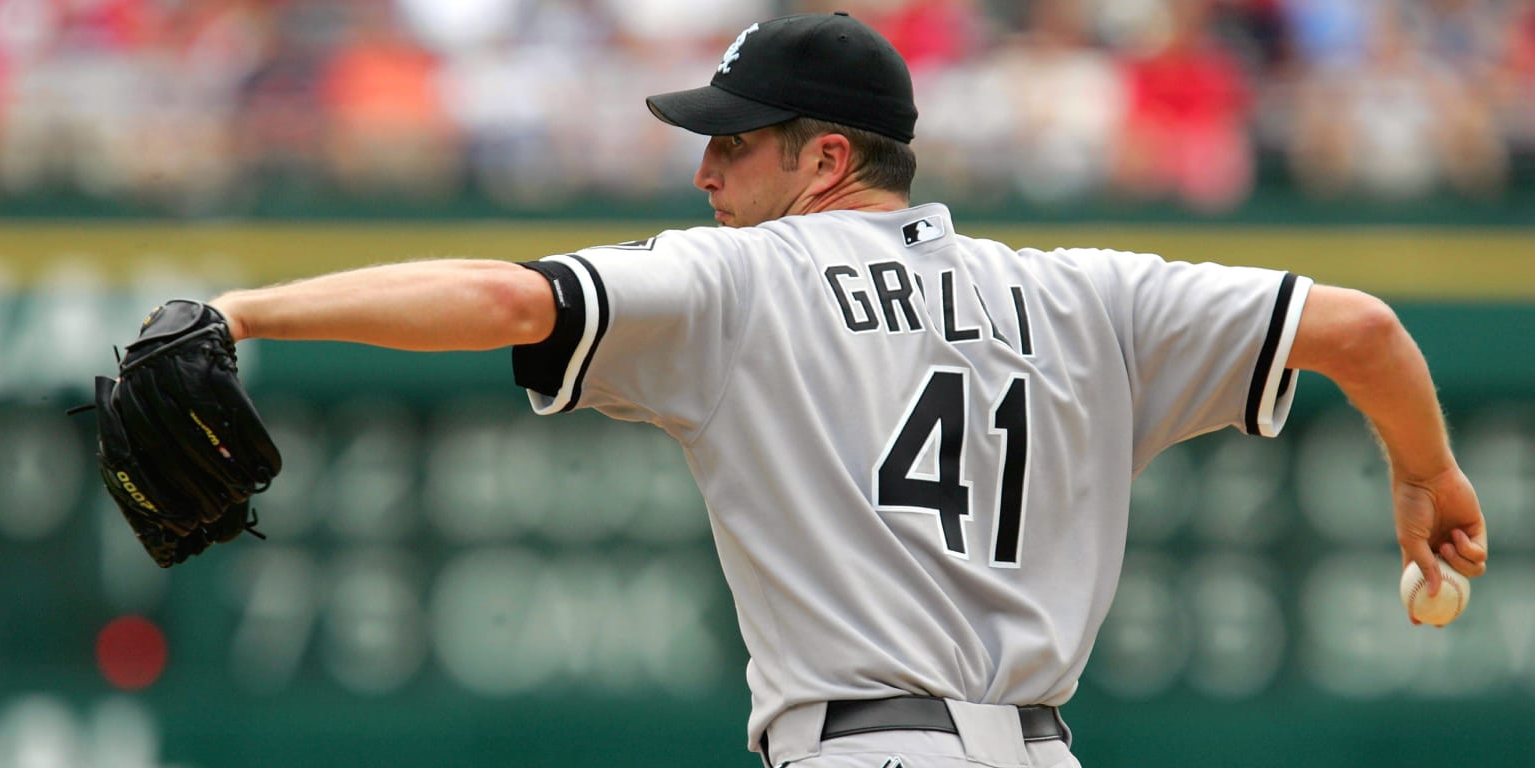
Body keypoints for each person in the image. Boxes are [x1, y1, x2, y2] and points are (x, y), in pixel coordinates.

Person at [207, 12, 1489, 768]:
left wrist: (247, 310)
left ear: (824, 158)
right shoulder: (1089, 292)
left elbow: (505, 300)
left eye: (732, 140)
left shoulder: (742, 278)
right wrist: (1424, 474)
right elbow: (1360, 328)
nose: (706, 171)